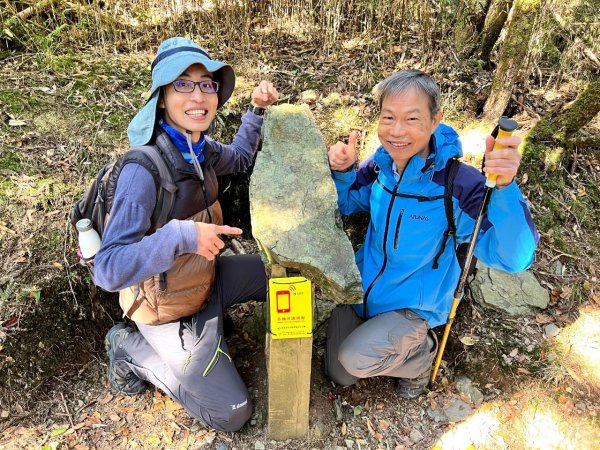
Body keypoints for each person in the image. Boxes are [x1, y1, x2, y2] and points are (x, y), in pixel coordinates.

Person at [93, 37, 279, 432]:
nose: (198, 94)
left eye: (206, 83)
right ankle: (127, 348)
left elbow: (242, 157)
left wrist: (256, 111)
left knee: (284, 275)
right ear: (161, 98)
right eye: (183, 84)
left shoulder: (200, 149)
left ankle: (211, 332)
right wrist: (181, 235)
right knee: (232, 413)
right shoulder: (143, 173)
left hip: (206, 282)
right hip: (166, 310)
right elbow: (107, 270)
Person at [324, 69, 538, 399]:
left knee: (353, 358)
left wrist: (506, 188)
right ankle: (378, 344)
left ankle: (420, 359)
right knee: (339, 372)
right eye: (388, 117)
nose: (397, 131)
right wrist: (344, 171)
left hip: (412, 309)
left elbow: (514, 258)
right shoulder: (382, 165)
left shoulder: (459, 185)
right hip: (364, 292)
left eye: (411, 118)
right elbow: (349, 202)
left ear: (436, 119)